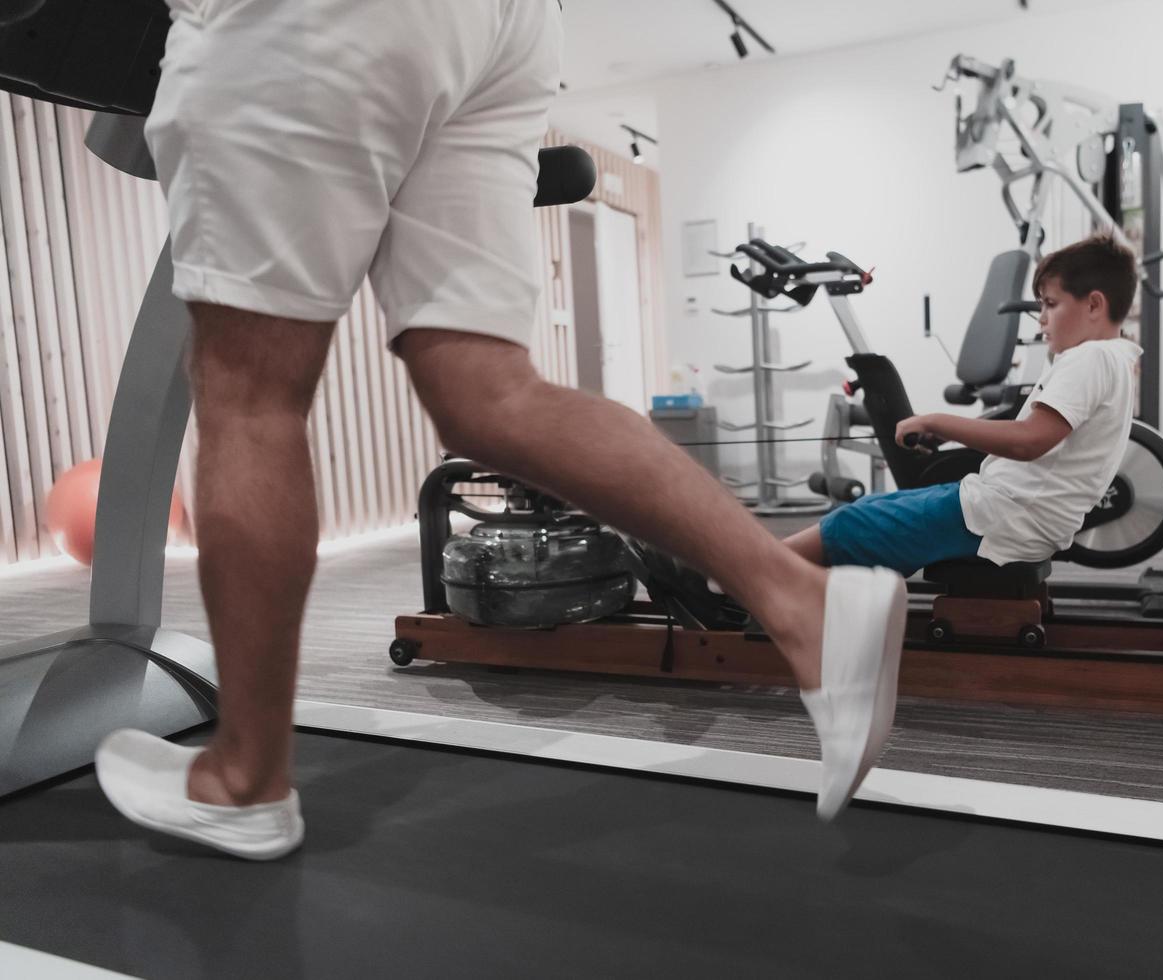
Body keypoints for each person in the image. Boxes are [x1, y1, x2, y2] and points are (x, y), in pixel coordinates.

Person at [92, 0, 906, 861]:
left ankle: (245, 782)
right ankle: (799, 599)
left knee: (249, 396)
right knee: (493, 393)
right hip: (503, 24)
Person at [783, 234, 1143, 576]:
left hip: (1004, 517)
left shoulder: (1090, 359)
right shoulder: (1116, 357)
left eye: (1050, 304)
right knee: (868, 508)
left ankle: (753, 579)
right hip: (1003, 508)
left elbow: (1027, 441)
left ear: (1094, 304)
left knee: (848, 525)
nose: (1042, 319)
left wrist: (938, 421)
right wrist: (948, 434)